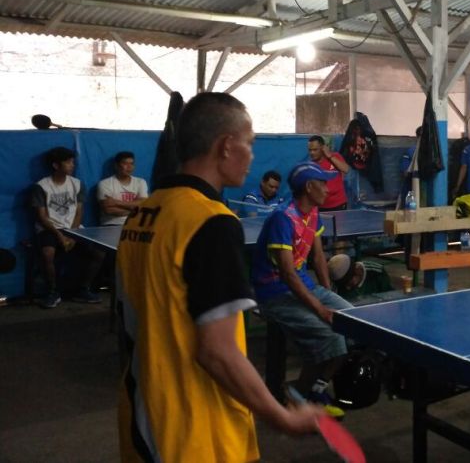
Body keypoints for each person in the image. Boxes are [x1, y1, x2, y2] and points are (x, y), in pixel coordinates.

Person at [116, 93, 322, 463]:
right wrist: (283, 417)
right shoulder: (211, 221)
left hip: (140, 413)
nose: (252, 155)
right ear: (226, 146)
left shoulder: (143, 213)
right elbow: (218, 352)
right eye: (249, 143)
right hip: (192, 428)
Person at [252, 162, 353, 418]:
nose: (328, 189)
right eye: (323, 184)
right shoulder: (283, 218)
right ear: (309, 187)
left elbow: (318, 257)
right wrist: (321, 309)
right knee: (332, 338)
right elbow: (287, 274)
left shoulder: (313, 212)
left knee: (354, 322)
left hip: (304, 285)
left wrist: (328, 295)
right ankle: (297, 396)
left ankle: (316, 390)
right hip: (274, 293)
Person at [31, 146, 103, 308]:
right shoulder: (41, 186)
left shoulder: (77, 184)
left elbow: (79, 212)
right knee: (47, 254)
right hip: (49, 229)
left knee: (99, 252)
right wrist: (60, 237)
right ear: (56, 165)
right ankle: (52, 291)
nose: (72, 165)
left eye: (73, 162)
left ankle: (83, 289)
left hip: (73, 229)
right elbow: (42, 217)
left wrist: (72, 235)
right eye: (68, 162)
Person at [97, 151, 148, 226]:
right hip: (113, 224)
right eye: (125, 163)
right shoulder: (105, 184)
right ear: (116, 166)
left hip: (135, 224)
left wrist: (116, 202)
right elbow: (108, 210)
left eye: (132, 164)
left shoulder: (140, 182)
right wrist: (135, 210)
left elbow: (143, 204)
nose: (129, 167)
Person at [307, 135, 349, 211]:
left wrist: (330, 156)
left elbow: (346, 169)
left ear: (323, 148)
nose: (312, 153)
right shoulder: (310, 165)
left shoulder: (335, 156)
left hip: (339, 205)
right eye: (310, 150)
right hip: (320, 207)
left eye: (315, 150)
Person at [327, 254, 393, 302]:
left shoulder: (377, 272)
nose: (347, 288)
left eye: (348, 283)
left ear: (357, 270)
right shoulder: (335, 288)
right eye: (343, 285)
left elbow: (390, 296)